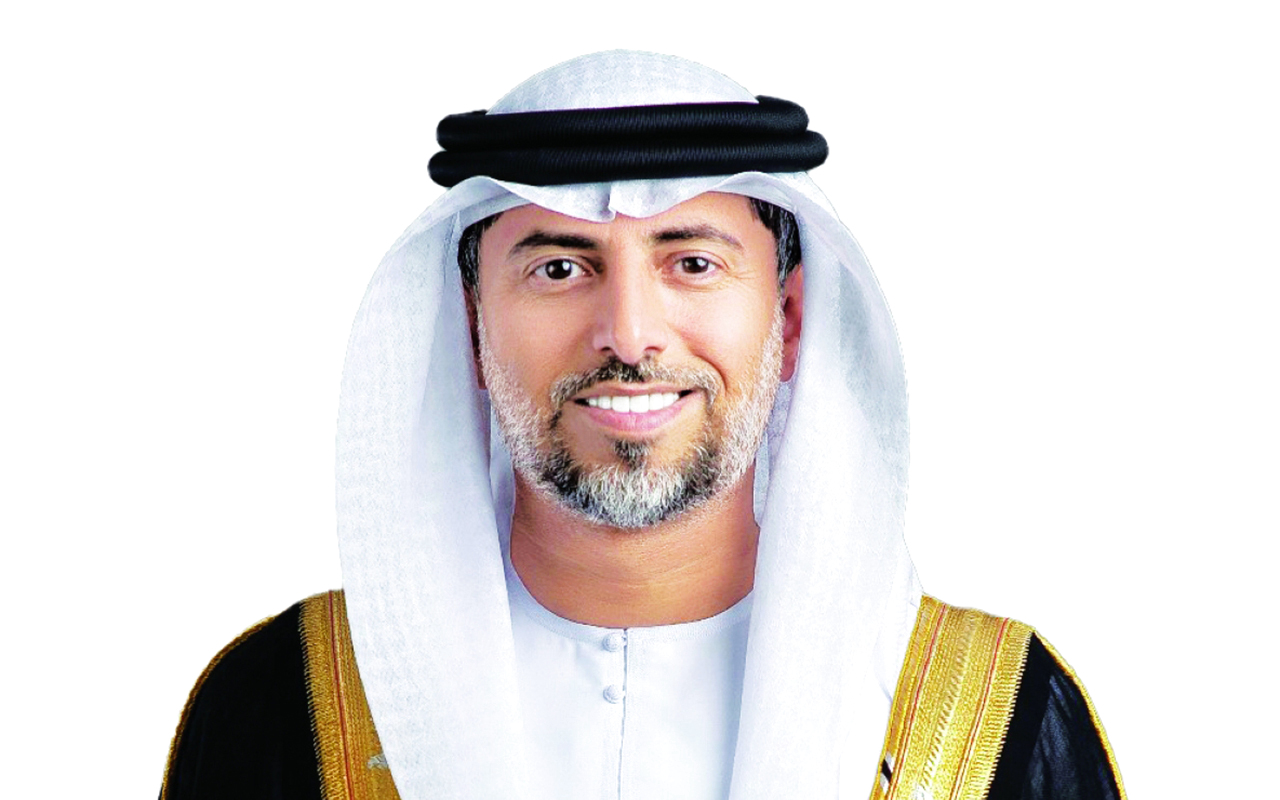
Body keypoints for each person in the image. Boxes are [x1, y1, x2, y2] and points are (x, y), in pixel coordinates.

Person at [161, 51, 1125, 800]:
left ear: (789, 321)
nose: (628, 334)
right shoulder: (282, 710)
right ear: (472, 325)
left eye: (692, 264)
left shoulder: (995, 721)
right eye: (559, 268)